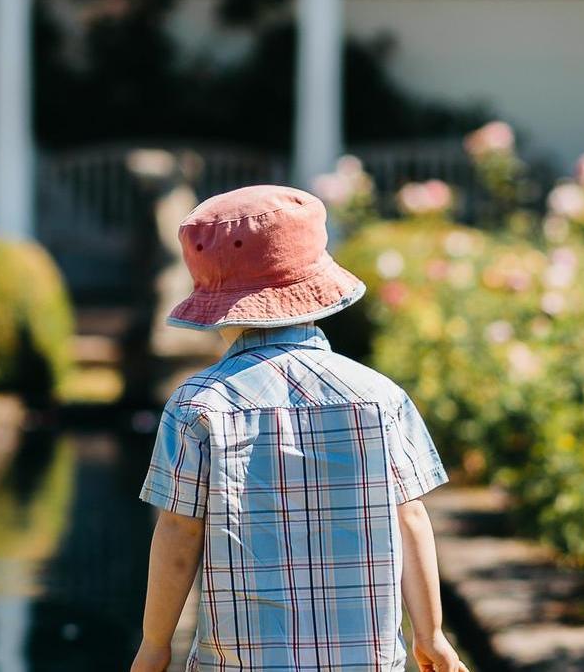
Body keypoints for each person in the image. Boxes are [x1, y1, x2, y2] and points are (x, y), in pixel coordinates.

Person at [131, 185, 467, 672]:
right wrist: (431, 633)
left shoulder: (197, 406)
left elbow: (180, 532)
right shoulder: (379, 397)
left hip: (242, 660)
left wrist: (155, 643)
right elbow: (409, 518)